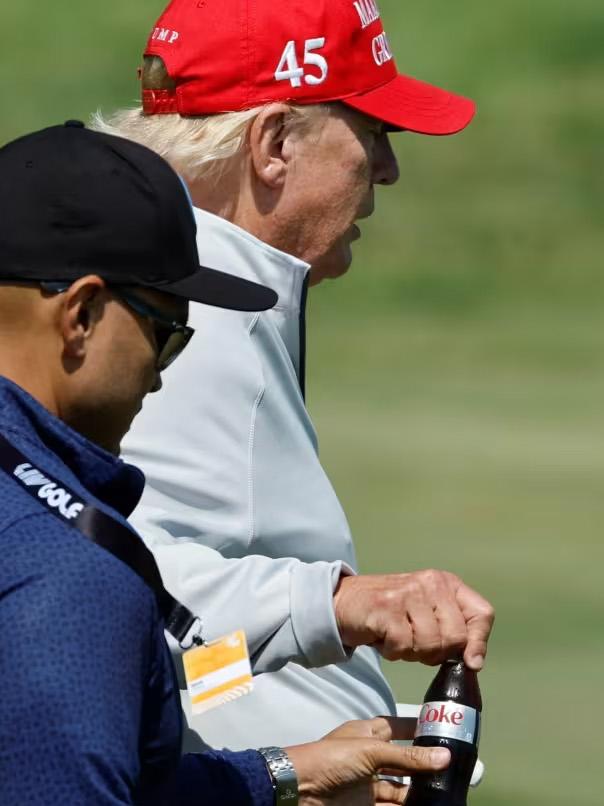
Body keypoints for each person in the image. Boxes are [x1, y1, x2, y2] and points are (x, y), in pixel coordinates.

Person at [0, 121, 454, 805]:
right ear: (83, 314)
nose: (159, 377)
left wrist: (279, 776)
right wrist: (331, 606)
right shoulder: (69, 581)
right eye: (165, 333)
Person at [94, 0, 495, 753]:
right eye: (373, 132)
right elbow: (118, 609)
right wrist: (291, 766)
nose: (390, 169)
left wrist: (316, 747)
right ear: (273, 143)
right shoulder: (189, 317)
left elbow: (181, 662)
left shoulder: (179, 285)